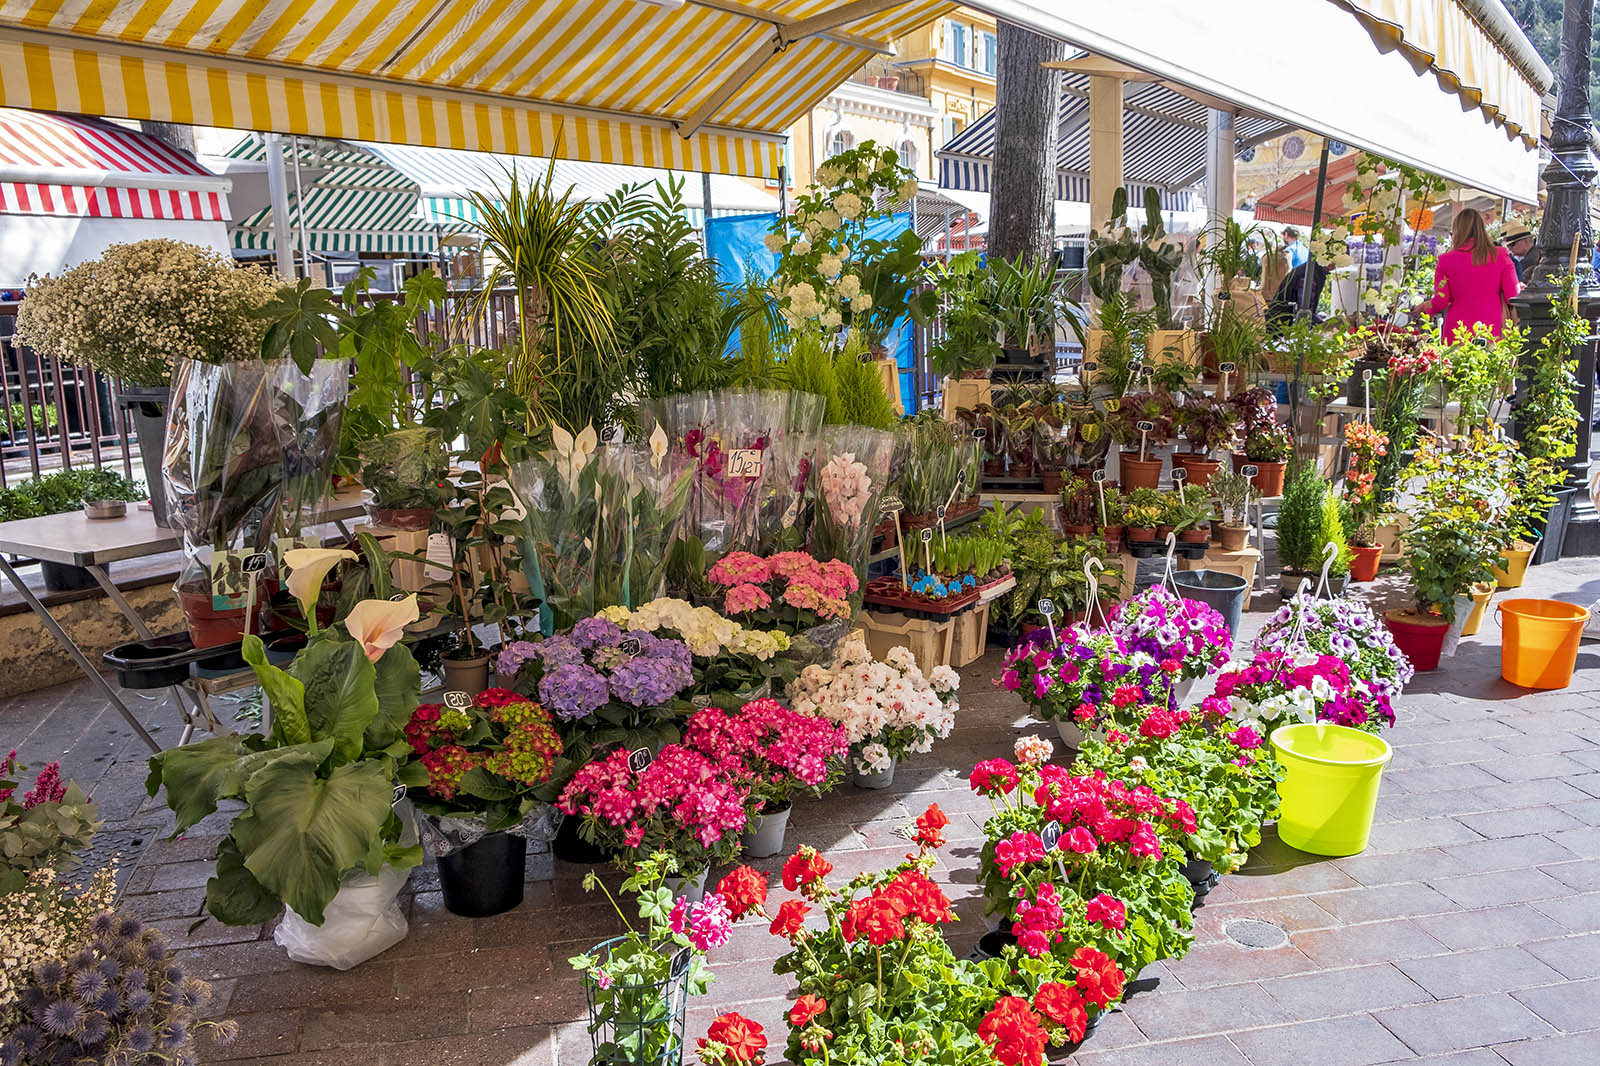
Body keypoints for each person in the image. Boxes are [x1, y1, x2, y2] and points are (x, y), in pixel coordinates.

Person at [1423, 207, 1519, 339]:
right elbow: (1513, 296)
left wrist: (1423, 307)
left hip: (1457, 330)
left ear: (1457, 230)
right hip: (1491, 327)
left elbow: (1440, 301)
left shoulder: (1445, 260)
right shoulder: (1500, 255)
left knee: (1455, 359)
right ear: (1482, 228)